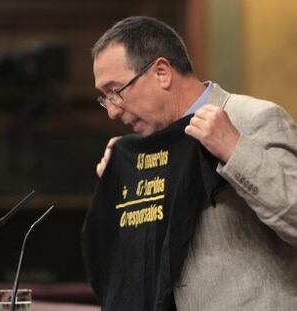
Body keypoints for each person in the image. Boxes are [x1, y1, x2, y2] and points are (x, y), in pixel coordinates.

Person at [91, 16, 297, 310]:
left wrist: (236, 150)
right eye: (105, 98)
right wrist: (117, 190)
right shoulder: (147, 152)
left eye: (115, 92)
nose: (112, 111)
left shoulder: (255, 118)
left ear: (162, 72)